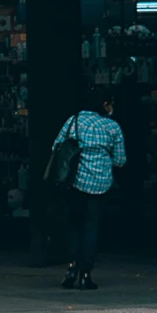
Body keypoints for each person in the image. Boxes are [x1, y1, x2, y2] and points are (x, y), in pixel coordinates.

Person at [52, 93, 126, 290]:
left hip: (75, 182)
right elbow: (120, 160)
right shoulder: (112, 127)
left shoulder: (74, 121)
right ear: (104, 105)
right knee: (91, 227)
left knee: (75, 225)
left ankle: (71, 269)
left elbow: (56, 147)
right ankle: (86, 274)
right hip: (101, 184)